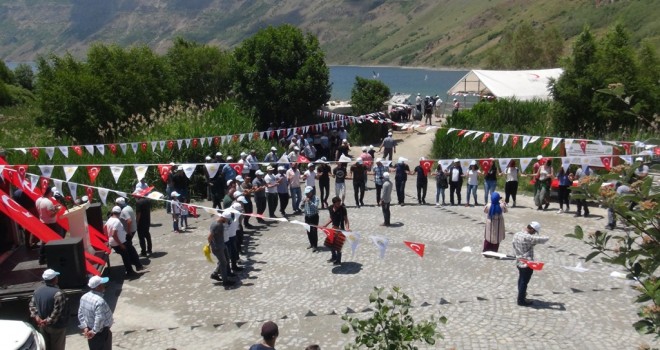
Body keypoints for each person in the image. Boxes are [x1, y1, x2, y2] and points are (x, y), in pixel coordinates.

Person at [29, 269, 68, 350]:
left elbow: (32, 305)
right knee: (57, 347)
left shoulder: (37, 291)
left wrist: (37, 318)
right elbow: (57, 312)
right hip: (56, 327)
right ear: (55, 279)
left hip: (42, 326)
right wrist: (47, 321)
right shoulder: (58, 293)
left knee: (46, 347)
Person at [512, 222, 549, 306]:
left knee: (521, 279)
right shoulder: (529, 237)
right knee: (524, 282)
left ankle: (522, 295)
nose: (535, 233)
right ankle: (521, 300)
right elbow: (543, 239)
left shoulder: (517, 234)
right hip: (527, 263)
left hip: (518, 260)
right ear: (532, 229)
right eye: (535, 231)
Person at [105, 206, 144, 277]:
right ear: (120, 213)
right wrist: (120, 244)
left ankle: (137, 267)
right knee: (127, 254)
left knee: (130, 251)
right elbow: (114, 234)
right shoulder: (116, 221)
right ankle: (131, 271)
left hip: (116, 242)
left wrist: (108, 239)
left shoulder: (109, 220)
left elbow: (105, 229)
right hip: (119, 242)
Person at [78, 275, 114, 350]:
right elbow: (99, 318)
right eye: (102, 284)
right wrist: (94, 331)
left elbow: (80, 313)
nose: (104, 285)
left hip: (90, 330)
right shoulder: (99, 301)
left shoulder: (84, 297)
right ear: (98, 287)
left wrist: (85, 327)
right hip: (101, 333)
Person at [36, 186, 64, 264]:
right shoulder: (48, 202)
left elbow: (45, 210)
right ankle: (55, 257)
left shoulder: (38, 200)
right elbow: (51, 215)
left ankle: (41, 258)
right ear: (48, 192)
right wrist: (58, 210)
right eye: (51, 192)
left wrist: (53, 208)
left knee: (44, 241)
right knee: (55, 240)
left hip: (43, 222)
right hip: (51, 223)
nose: (52, 193)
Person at [323, 197, 349, 265]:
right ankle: (333, 256)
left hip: (340, 229)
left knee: (338, 246)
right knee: (330, 244)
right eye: (338, 203)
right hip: (333, 229)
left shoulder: (343, 209)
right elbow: (331, 218)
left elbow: (346, 219)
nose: (339, 204)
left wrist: (347, 228)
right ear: (334, 204)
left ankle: (338, 260)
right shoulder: (330, 208)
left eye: (340, 203)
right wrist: (325, 225)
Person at [134, 192, 152, 257]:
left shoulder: (138, 203)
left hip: (141, 222)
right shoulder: (147, 200)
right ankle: (149, 249)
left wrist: (136, 222)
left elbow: (138, 214)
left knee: (141, 237)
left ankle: (143, 251)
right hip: (147, 220)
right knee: (147, 235)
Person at [302, 186, 320, 252]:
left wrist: (310, 202)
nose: (307, 195)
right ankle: (311, 243)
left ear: (311, 192)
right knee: (308, 231)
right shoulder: (304, 197)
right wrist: (302, 203)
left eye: (308, 193)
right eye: (306, 193)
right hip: (307, 217)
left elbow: (316, 207)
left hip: (314, 217)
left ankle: (315, 245)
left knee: (314, 231)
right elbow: (300, 207)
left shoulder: (316, 198)